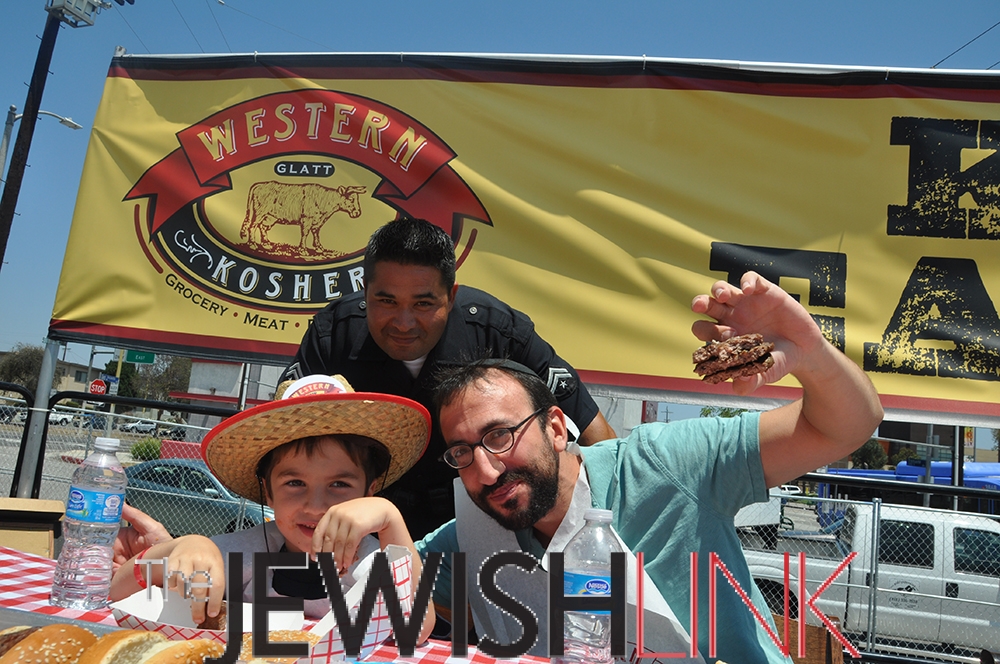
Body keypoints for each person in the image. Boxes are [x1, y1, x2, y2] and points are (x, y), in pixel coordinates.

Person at [409, 272, 884, 663]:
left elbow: (846, 428)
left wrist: (810, 353)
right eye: (462, 452)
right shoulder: (477, 531)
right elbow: (397, 587)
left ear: (555, 428)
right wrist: (384, 516)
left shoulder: (665, 462)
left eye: (500, 436)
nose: (486, 471)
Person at [280, 217, 616, 538]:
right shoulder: (332, 335)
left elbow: (597, 437)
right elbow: (282, 439)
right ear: (365, 290)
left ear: (452, 296)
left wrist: (598, 532)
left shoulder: (498, 331)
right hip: (368, 515)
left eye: (423, 304)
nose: (404, 323)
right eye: (386, 301)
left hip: (482, 514)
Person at [110, 375, 435, 644]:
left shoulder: (369, 559)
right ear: (267, 491)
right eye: (295, 483)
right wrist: (183, 546)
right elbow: (118, 590)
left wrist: (390, 518)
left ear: (369, 491)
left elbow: (416, 629)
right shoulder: (244, 553)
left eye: (339, 484)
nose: (316, 506)